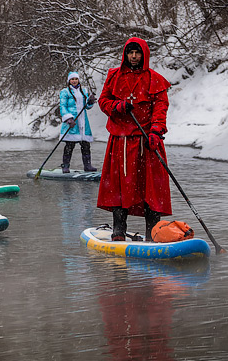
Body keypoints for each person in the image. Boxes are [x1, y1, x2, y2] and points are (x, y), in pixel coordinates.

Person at [97, 37, 172, 241]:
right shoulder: (114, 76)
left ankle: (153, 234)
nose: (134, 56)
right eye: (130, 52)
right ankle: (118, 231)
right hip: (120, 142)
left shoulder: (155, 79)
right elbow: (103, 101)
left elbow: (160, 108)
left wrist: (156, 131)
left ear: (144, 55)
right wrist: (117, 107)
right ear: (125, 54)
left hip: (147, 142)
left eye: (138, 53)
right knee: (120, 187)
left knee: (151, 189)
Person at [59, 71, 97, 173]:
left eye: (76, 79)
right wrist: (68, 118)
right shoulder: (65, 92)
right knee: (69, 146)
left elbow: (87, 107)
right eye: (72, 79)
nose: (74, 81)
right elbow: (62, 107)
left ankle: (87, 166)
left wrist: (90, 102)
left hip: (83, 122)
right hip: (72, 123)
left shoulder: (83, 91)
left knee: (85, 145)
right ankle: (65, 166)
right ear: (69, 81)